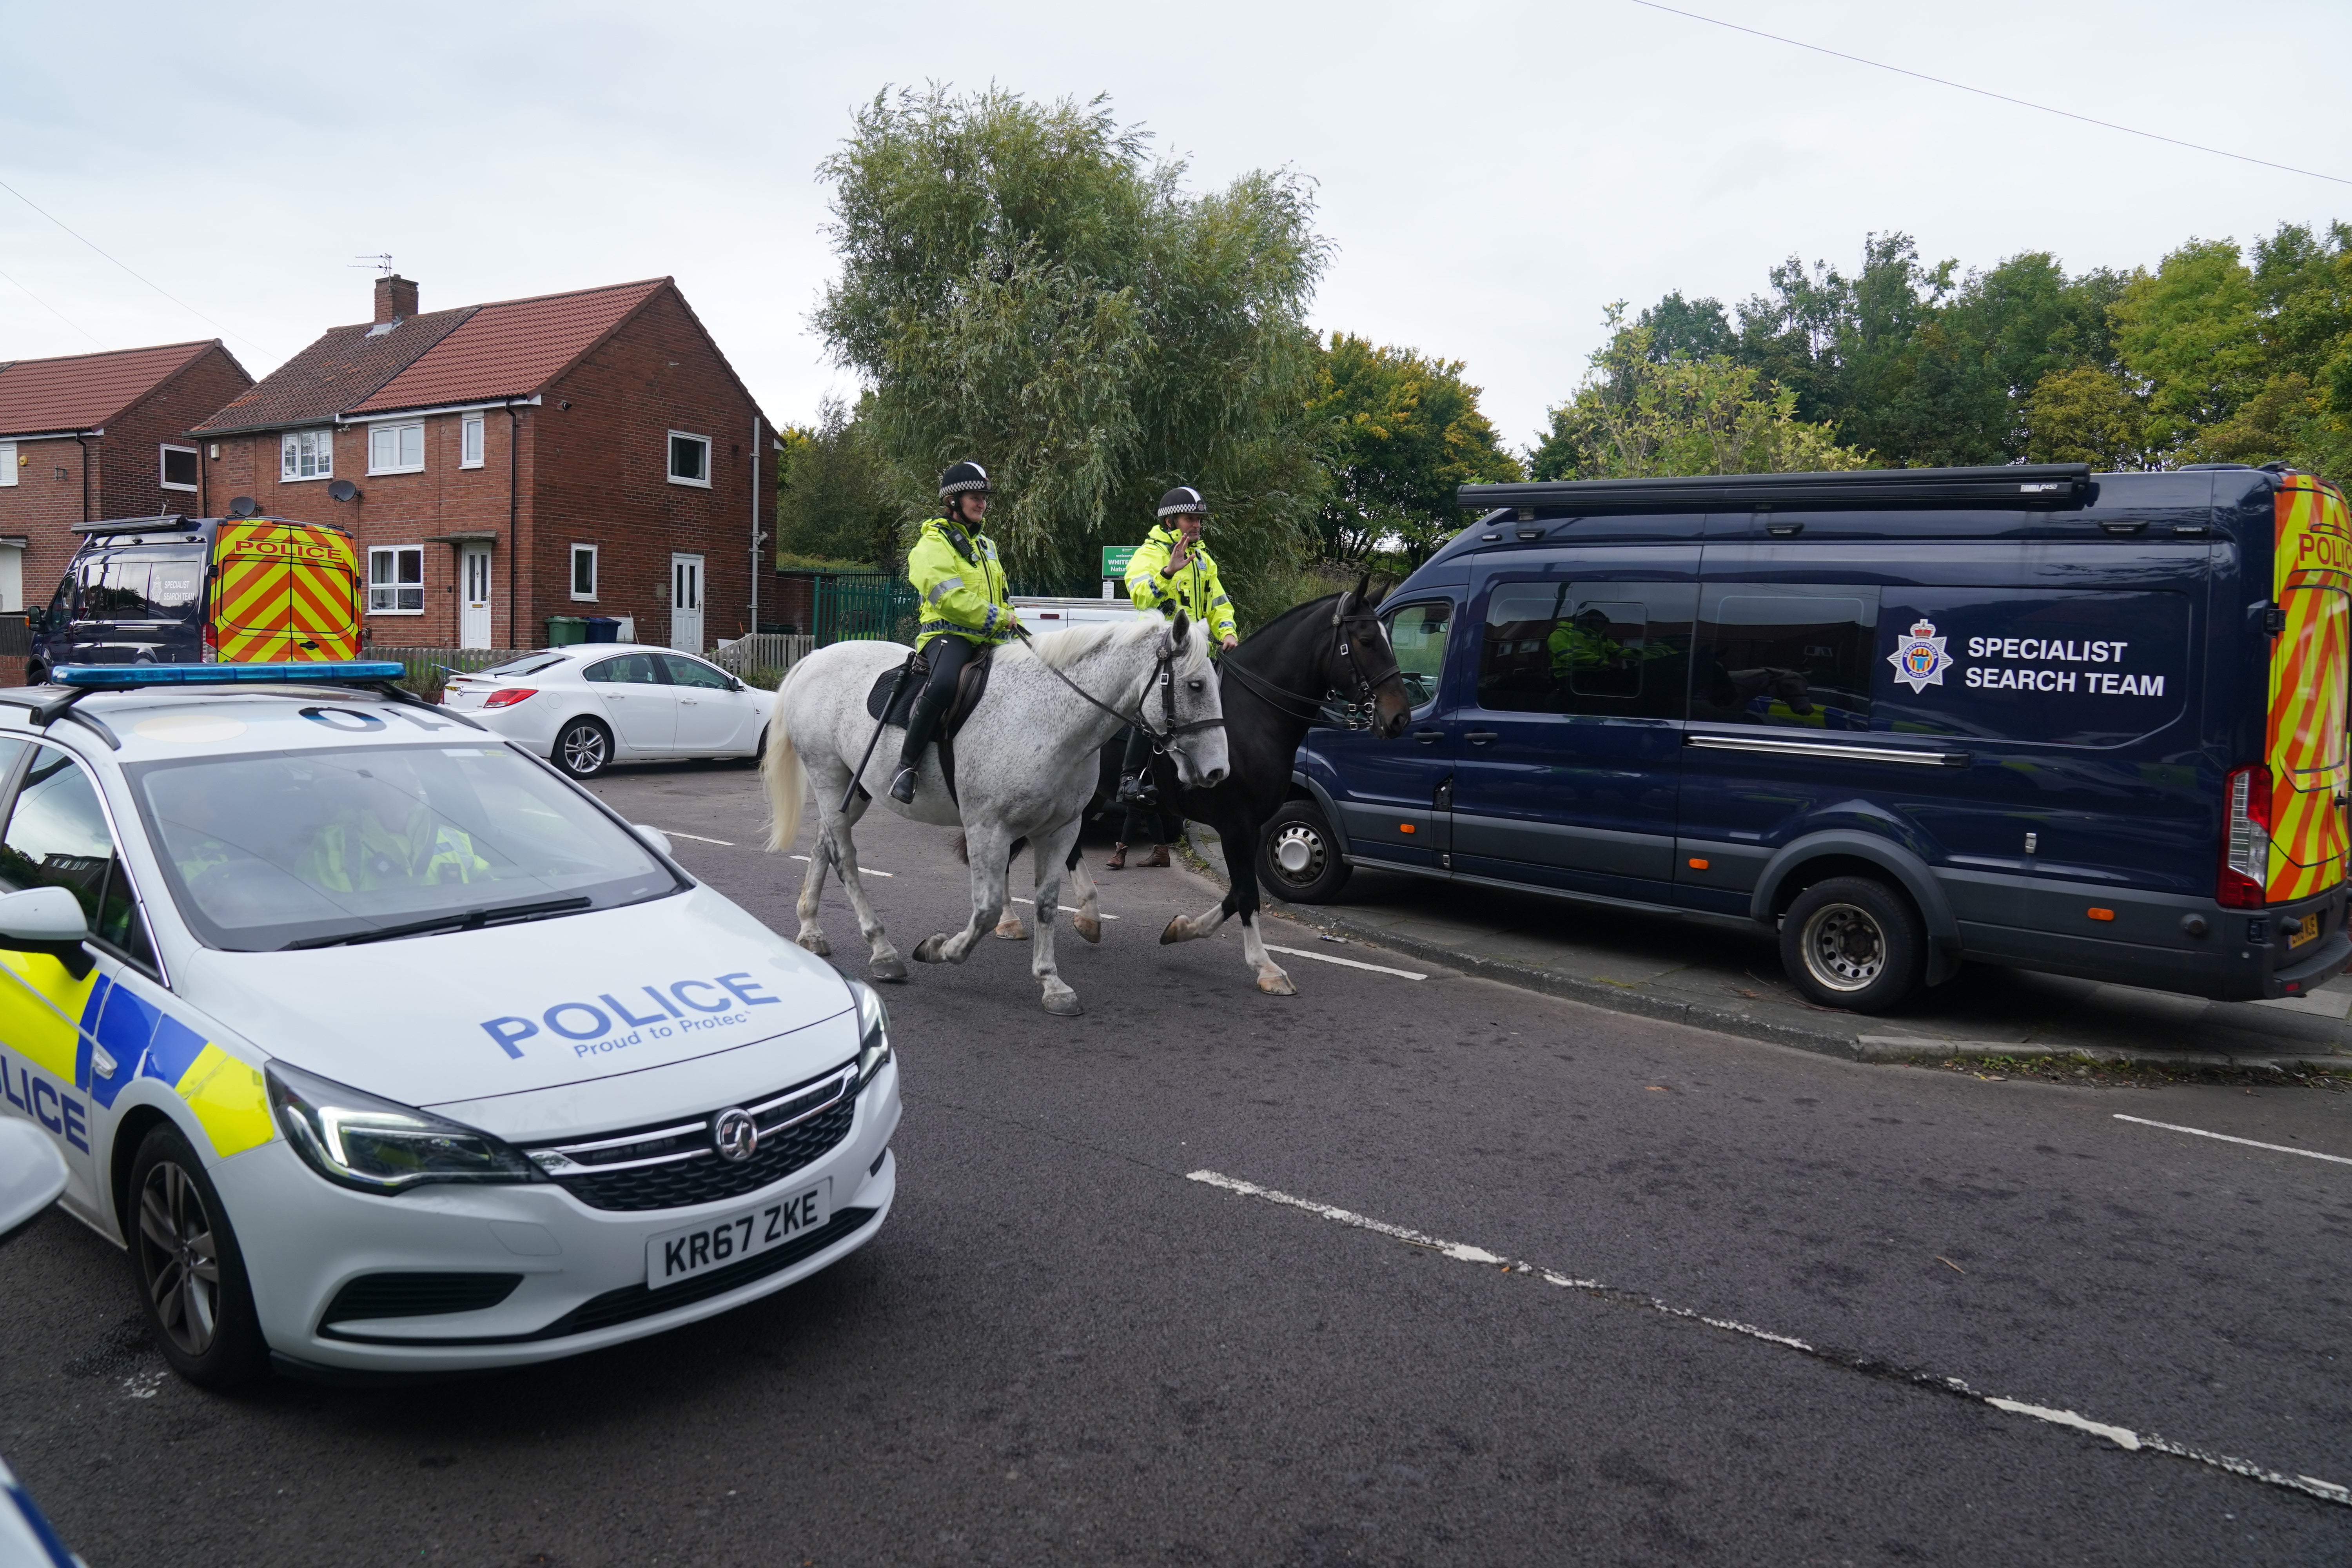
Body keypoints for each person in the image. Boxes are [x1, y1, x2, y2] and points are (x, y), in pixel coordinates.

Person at [1107, 486, 1240, 868]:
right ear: (1170, 521)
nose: (1196, 524)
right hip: (1161, 650)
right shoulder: (1149, 554)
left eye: (1199, 519)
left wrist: (1227, 630)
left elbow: (1218, 601)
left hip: (1196, 653)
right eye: (1190, 518)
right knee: (1146, 710)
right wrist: (1168, 571)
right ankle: (1129, 778)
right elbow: (1138, 594)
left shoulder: (1203, 560)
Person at [889, 460, 1018, 804]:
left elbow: (1002, 594)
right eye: (975, 497)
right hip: (947, 635)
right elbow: (949, 599)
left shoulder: (986, 545)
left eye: (984, 498)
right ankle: (906, 765)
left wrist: (1010, 615)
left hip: (991, 637)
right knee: (945, 683)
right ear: (953, 501)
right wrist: (997, 617)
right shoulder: (932, 545)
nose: (982, 503)